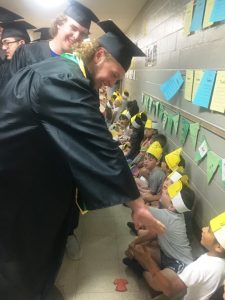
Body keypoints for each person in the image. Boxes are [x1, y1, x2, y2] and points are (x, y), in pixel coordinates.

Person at [0, 19, 165, 300]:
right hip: (19, 182)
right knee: (22, 251)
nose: (112, 83)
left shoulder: (64, 71)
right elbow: (99, 142)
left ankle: (37, 289)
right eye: (113, 74)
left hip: (35, 174)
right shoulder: (62, 79)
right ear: (99, 55)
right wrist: (137, 204)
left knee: (45, 241)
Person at [0, 0, 99, 90]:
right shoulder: (26, 52)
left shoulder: (78, 66)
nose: (77, 36)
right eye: (73, 28)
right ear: (59, 24)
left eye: (83, 33)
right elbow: (8, 90)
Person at [133, 211, 225, 300]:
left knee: (154, 282)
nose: (204, 229)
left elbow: (170, 291)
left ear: (218, 247)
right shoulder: (219, 262)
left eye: (209, 231)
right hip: (190, 291)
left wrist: (148, 262)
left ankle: (141, 271)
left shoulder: (201, 267)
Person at [124, 173, 194, 275]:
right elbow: (153, 232)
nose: (163, 191)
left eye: (167, 193)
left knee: (156, 286)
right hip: (166, 253)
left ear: (172, 206)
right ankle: (151, 269)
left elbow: (136, 205)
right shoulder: (173, 212)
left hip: (181, 263)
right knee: (138, 247)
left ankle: (147, 273)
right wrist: (135, 243)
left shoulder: (167, 215)